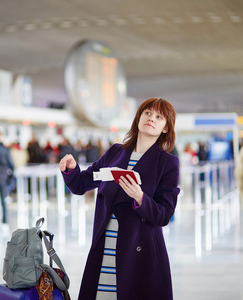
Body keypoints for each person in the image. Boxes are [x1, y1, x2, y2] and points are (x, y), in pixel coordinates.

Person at [60, 98, 180, 300]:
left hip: (140, 252)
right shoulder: (117, 152)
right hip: (105, 244)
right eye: (148, 113)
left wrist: (140, 197)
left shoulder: (167, 163)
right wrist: (71, 170)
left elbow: (165, 214)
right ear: (139, 117)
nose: (151, 119)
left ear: (166, 128)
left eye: (159, 117)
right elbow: (82, 184)